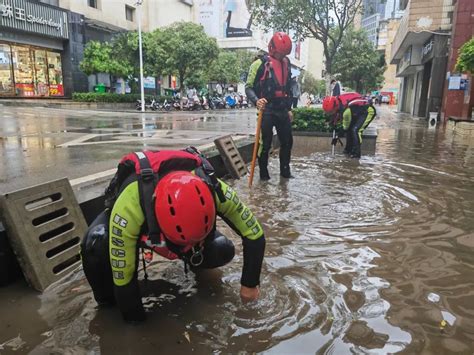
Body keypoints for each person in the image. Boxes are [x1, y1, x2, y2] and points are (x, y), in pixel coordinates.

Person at [81, 147, 265, 322]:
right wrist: (135, 328)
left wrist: (249, 285)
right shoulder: (129, 207)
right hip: (138, 222)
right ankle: (106, 304)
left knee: (221, 249)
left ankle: (197, 261)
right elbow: (124, 281)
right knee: (96, 243)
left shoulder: (215, 188)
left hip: (176, 229)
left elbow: (255, 235)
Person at [245, 32, 294, 180]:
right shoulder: (259, 64)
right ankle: (264, 176)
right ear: (272, 49)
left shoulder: (287, 63)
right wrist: (256, 100)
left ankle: (285, 173)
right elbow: (248, 87)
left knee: (287, 141)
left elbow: (289, 88)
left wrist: (289, 109)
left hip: (282, 110)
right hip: (266, 110)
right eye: (280, 53)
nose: (282, 56)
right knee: (265, 144)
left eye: (284, 54)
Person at [322, 92, 376, 158]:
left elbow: (345, 127)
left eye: (330, 112)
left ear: (335, 107)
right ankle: (348, 150)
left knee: (355, 130)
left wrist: (338, 135)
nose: (329, 114)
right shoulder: (338, 103)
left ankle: (356, 154)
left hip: (367, 111)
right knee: (349, 131)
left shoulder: (346, 111)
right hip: (356, 113)